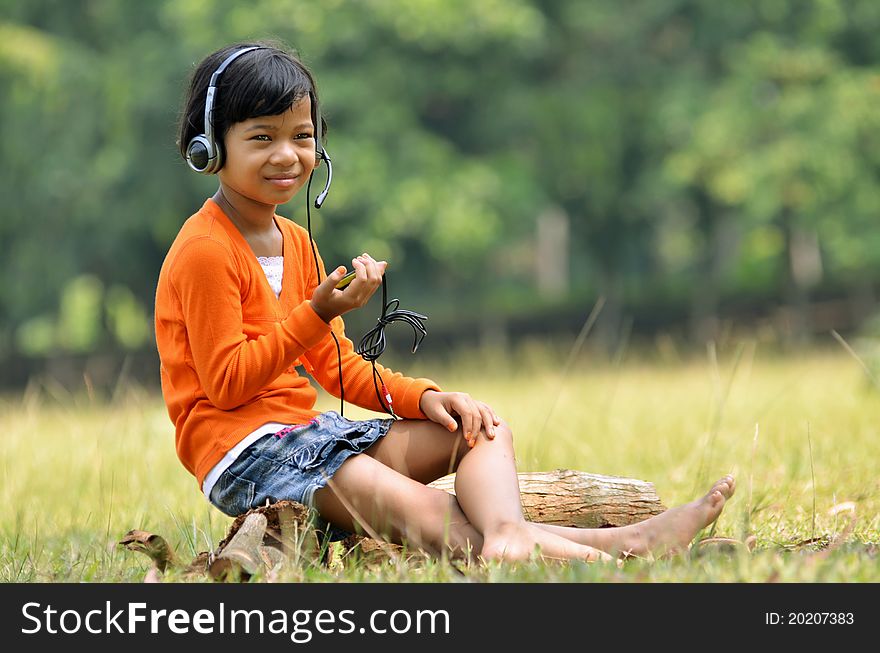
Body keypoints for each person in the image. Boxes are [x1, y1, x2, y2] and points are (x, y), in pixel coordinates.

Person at [155, 40, 736, 565]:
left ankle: (513, 538)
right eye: (262, 137)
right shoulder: (206, 251)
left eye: (301, 136)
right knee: (427, 516)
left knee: (481, 427)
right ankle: (620, 550)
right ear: (210, 148)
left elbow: (338, 366)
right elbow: (228, 383)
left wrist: (428, 397)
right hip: (247, 458)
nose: (287, 155)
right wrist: (318, 313)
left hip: (313, 437)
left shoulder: (295, 240)